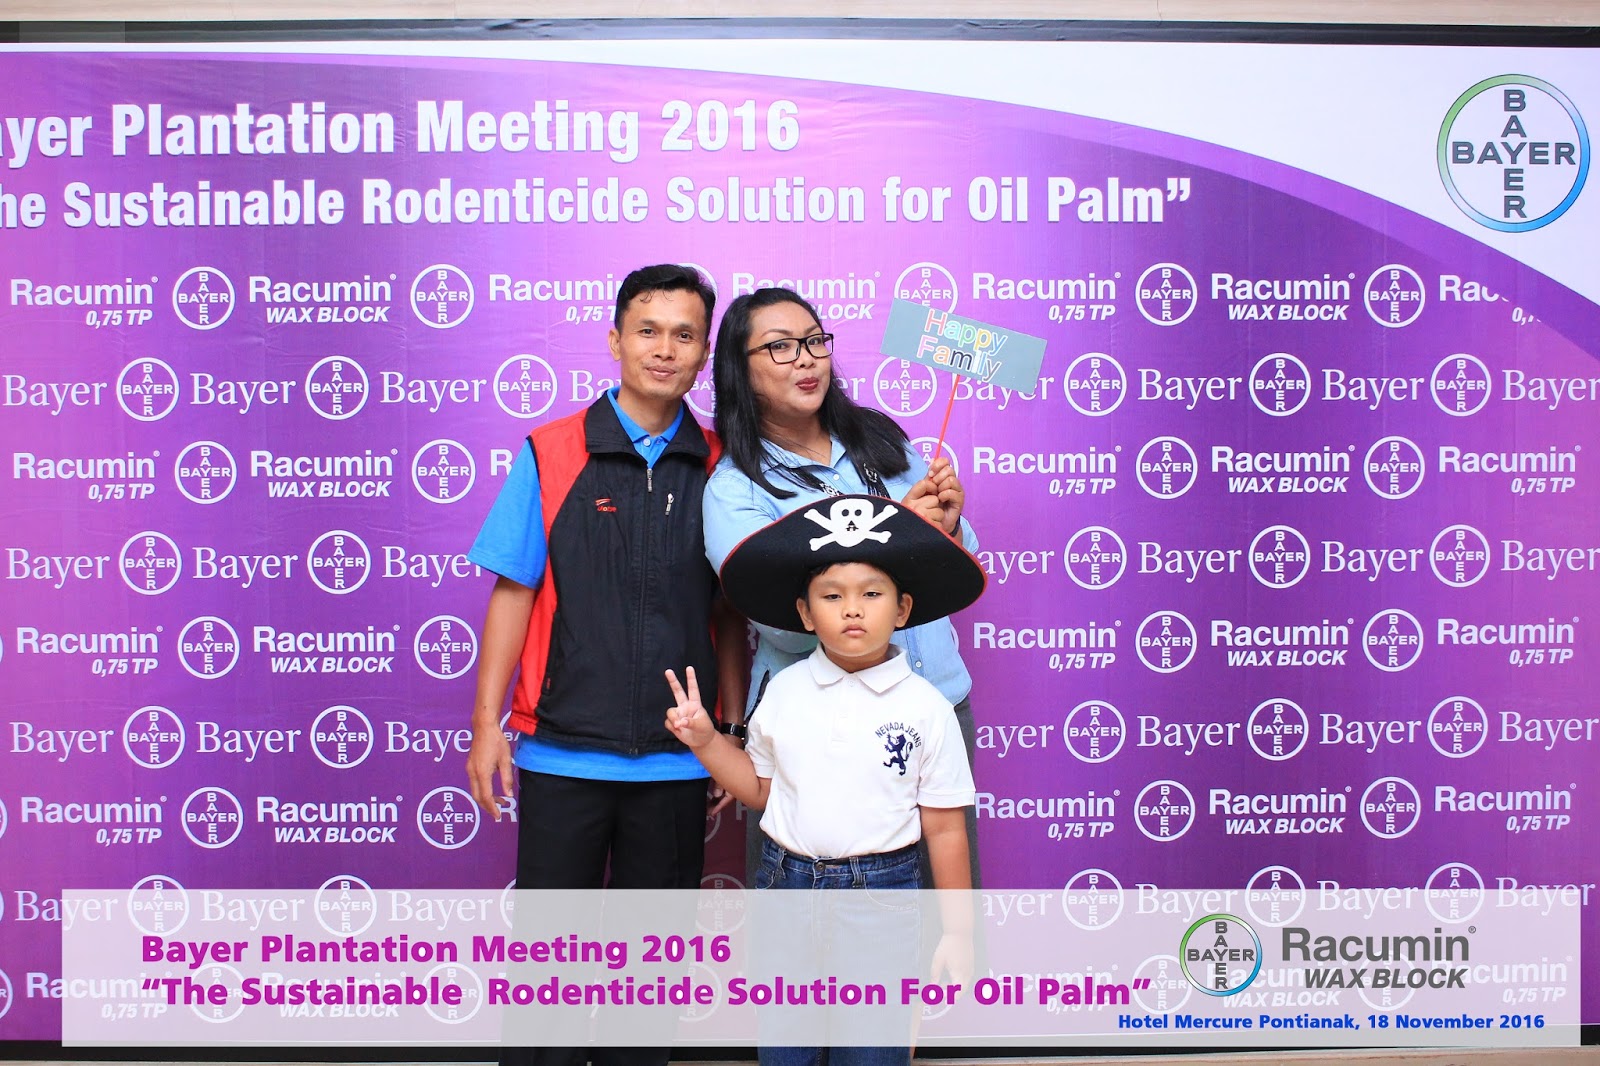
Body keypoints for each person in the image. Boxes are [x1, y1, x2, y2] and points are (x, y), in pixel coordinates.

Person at [465, 263, 745, 1066]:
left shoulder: (724, 466)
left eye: (684, 335)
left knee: (644, 996)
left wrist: (727, 731)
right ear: (615, 339)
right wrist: (486, 726)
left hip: (675, 762)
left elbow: (728, 612)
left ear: (704, 356)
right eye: (647, 330)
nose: (664, 349)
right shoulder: (551, 451)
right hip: (562, 752)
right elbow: (513, 592)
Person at [665, 495, 986, 1064]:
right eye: (833, 596)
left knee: (873, 1047)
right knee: (786, 1044)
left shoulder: (927, 708)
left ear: (903, 609)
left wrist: (958, 932)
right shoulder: (784, 692)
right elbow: (760, 791)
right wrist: (707, 742)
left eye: (872, 594)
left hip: (883, 899)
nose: (852, 609)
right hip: (784, 890)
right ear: (806, 613)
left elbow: (944, 830)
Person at [702, 287, 981, 889]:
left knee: (944, 908)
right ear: (739, 370)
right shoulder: (735, 486)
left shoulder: (880, 440)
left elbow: (958, 567)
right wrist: (897, 535)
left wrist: (947, 526)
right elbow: (780, 623)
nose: (806, 358)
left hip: (931, 702)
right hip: (814, 724)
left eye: (814, 341)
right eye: (780, 347)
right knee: (806, 907)